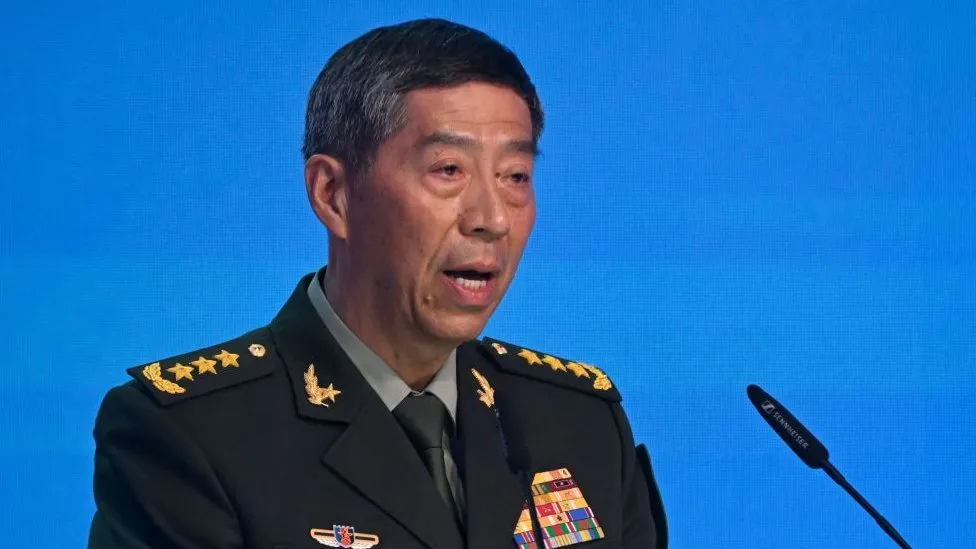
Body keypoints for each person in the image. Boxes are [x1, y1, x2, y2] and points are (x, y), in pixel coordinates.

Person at [88, 18, 667, 549]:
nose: (492, 218)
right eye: (449, 170)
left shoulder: (579, 422)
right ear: (333, 195)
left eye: (515, 176)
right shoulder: (191, 437)